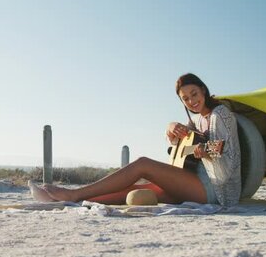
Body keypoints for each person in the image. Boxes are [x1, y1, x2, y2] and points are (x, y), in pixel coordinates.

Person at [29, 73, 242, 207]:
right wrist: (170, 128)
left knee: (143, 165)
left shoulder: (219, 115)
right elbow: (177, 146)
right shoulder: (198, 120)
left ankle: (74, 193)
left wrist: (207, 155)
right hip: (196, 182)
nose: (192, 101)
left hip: (218, 190)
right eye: (185, 98)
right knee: (141, 190)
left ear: (203, 90)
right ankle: (68, 201)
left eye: (194, 94)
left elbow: (227, 162)